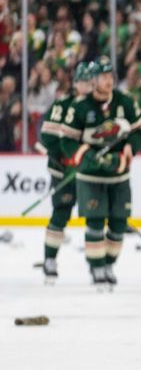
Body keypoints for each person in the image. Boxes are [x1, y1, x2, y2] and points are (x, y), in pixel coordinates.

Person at [60, 56, 141, 288]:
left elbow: (139, 129)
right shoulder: (80, 107)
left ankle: (108, 263)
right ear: (93, 80)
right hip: (91, 177)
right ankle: (96, 267)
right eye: (103, 77)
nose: (108, 81)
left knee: (119, 223)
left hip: (119, 174)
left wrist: (130, 147)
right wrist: (85, 157)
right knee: (95, 222)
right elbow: (67, 140)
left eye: (110, 76)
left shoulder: (125, 102)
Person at [37, 62, 95, 281]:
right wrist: (66, 159)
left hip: (89, 173)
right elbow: (48, 137)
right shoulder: (62, 105)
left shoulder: (100, 107)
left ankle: (96, 264)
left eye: (91, 82)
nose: (88, 86)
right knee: (61, 212)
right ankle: (50, 259)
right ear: (76, 83)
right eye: (84, 82)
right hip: (64, 171)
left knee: (94, 216)